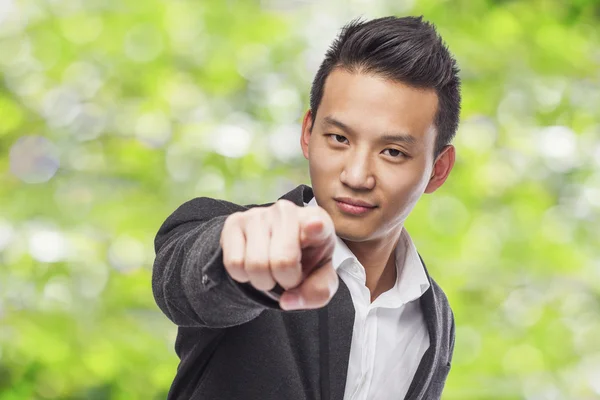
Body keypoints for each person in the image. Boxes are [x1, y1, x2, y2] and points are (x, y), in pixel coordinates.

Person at [153, 15, 461, 400]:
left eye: (393, 152)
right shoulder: (249, 238)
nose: (357, 175)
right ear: (307, 134)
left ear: (438, 169)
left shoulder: (434, 317)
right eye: (338, 138)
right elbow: (188, 277)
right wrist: (237, 258)